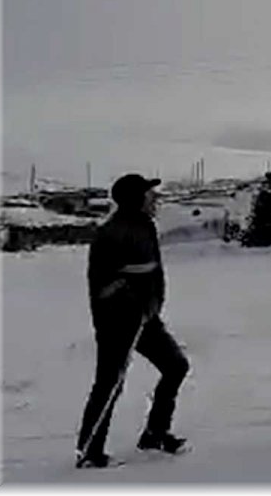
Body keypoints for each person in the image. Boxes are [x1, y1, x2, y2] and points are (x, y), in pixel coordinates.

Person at [75, 174, 190, 469]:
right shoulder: (112, 233)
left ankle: (155, 433)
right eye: (150, 195)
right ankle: (90, 450)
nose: (156, 199)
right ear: (135, 199)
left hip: (146, 318)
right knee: (110, 382)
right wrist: (131, 304)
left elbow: (148, 271)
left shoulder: (144, 226)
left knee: (176, 366)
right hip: (117, 321)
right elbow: (103, 284)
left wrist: (150, 305)